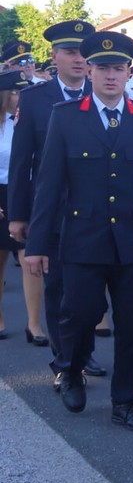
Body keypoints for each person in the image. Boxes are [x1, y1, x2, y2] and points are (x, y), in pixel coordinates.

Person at [25, 32, 133, 432]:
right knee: (77, 315)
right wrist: (38, 244)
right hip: (81, 239)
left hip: (132, 241)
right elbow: (49, 185)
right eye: (103, 68)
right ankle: (71, 370)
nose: (111, 76)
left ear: (130, 72)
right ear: (90, 70)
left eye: (118, 69)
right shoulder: (66, 115)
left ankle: (126, 400)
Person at [8, 20, 107, 380]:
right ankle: (65, 360)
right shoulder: (35, 99)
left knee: (91, 289)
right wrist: (18, 215)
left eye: (84, 53)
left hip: (96, 209)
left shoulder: (104, 96)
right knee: (58, 288)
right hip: (53, 210)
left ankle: (85, 351)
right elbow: (21, 162)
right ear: (54, 57)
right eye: (69, 52)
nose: (78, 59)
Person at [0, 70, 31, 338]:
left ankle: (34, 323)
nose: (19, 97)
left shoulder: (25, 121)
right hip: (0, 193)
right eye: (15, 92)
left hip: (24, 191)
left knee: (30, 257)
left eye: (22, 91)